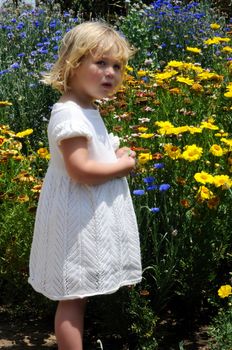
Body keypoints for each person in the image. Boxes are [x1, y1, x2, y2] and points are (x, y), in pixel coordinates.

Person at [28, 21, 142, 350]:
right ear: (73, 65)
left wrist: (113, 153)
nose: (111, 73)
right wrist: (123, 165)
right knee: (72, 297)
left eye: (117, 66)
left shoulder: (87, 109)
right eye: (101, 63)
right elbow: (80, 170)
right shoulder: (69, 115)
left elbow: (92, 156)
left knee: (78, 294)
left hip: (84, 217)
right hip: (75, 222)